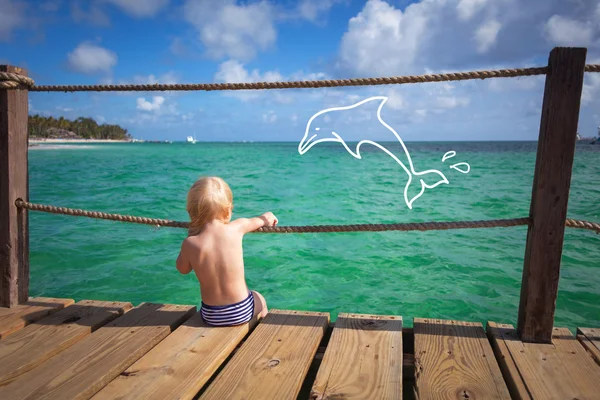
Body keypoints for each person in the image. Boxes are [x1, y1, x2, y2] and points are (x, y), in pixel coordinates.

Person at [176, 176, 276, 326]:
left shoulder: (190, 243)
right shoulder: (237, 228)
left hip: (211, 315)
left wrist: (191, 237)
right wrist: (268, 217)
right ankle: (259, 332)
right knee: (260, 298)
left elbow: (182, 269)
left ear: (191, 212)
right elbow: (261, 220)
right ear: (228, 210)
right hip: (242, 311)